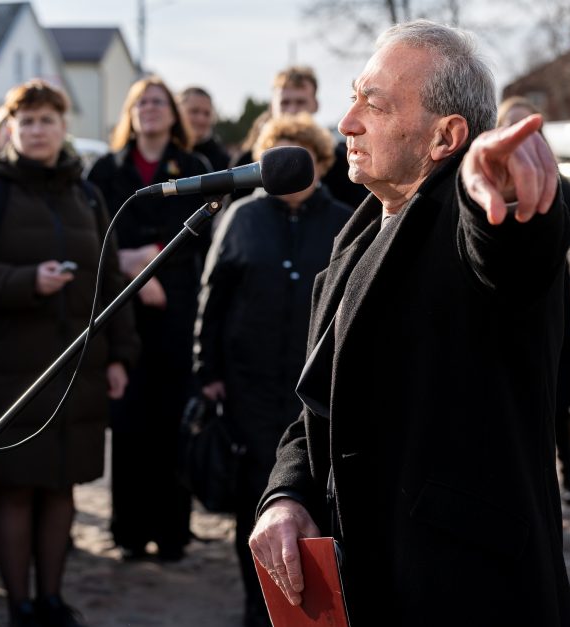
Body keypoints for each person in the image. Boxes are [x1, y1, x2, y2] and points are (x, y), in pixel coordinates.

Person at [249, 20, 570, 626]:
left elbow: (512, 251)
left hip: (463, 590)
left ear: (446, 136)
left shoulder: (470, 214)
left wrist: (499, 190)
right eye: (353, 98)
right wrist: (287, 493)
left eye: (373, 105)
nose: (346, 122)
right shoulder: (359, 232)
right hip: (367, 580)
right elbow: (320, 406)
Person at [0, 79, 138, 627]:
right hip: (12, 371)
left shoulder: (87, 195)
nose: (37, 130)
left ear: (63, 126)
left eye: (47, 119)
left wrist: (119, 355)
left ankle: (51, 600)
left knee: (62, 488)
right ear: (11, 129)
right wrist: (26, 281)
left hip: (78, 369)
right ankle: (19, 605)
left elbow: (110, 279)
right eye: (27, 121)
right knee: (16, 490)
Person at [195, 113, 353, 627]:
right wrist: (207, 370)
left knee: (317, 500)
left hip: (318, 392)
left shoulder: (345, 220)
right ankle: (258, 607)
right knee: (257, 502)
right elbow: (213, 299)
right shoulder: (240, 217)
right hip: (249, 385)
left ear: (320, 162)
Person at [87, 76, 210, 561]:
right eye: (141, 102)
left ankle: (172, 532)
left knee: (170, 423)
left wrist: (155, 257)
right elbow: (95, 234)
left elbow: (204, 233)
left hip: (176, 312)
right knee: (129, 424)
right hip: (122, 315)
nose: (150, 109)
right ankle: (129, 532)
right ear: (130, 112)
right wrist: (133, 265)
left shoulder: (194, 167)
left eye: (159, 101)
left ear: (173, 113)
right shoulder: (105, 169)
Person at [496, 95, 570, 506]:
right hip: (504, 306)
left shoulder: (555, 176)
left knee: (557, 399)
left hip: (551, 300)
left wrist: (543, 235)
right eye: (510, 124)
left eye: (528, 126)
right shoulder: (486, 176)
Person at [230, 66, 369, 208]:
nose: (292, 110)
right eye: (285, 103)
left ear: (315, 105)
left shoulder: (341, 163)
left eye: (300, 102)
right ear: (272, 106)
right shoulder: (246, 163)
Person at [179, 86, 231, 171]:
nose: (201, 119)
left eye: (207, 113)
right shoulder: (163, 151)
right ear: (178, 112)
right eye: (194, 111)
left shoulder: (223, 160)